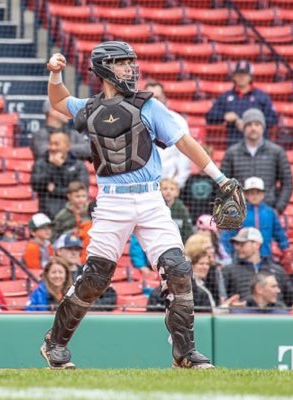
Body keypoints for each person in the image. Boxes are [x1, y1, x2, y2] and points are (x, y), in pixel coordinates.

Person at [40, 40, 237, 370]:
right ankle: (54, 343)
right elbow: (59, 100)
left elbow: (186, 142)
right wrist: (56, 74)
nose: (130, 69)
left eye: (131, 63)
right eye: (121, 63)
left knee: (178, 268)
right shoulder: (88, 107)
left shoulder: (149, 104)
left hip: (150, 198)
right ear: (103, 69)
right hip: (112, 201)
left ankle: (184, 352)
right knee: (96, 277)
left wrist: (221, 179)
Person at [221, 108, 293, 215]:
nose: (253, 128)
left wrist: (278, 209)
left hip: (268, 211)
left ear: (263, 127)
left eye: (257, 124)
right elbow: (224, 184)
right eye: (249, 124)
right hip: (239, 212)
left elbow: (287, 183)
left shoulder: (277, 152)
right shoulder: (232, 153)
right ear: (243, 128)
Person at [223, 228, 293, 313]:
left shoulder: (277, 270)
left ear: (256, 245)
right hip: (243, 317)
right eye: (236, 244)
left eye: (242, 244)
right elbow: (221, 300)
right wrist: (227, 305)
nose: (237, 247)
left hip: (276, 316)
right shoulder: (229, 270)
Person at [205, 60, 278, 145]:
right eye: (238, 74)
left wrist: (252, 123)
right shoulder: (226, 97)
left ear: (250, 77)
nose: (241, 77)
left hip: (259, 143)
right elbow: (210, 116)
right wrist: (224, 116)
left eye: (245, 74)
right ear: (234, 77)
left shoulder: (261, 96)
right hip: (234, 143)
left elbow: (273, 119)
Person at [220, 176, 290, 259]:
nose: (255, 196)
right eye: (251, 193)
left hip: (265, 256)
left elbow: (279, 234)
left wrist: (286, 250)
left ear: (263, 194)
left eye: (258, 193)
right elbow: (227, 236)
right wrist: (229, 254)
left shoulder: (270, 213)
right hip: (243, 257)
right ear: (245, 194)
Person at [31, 130, 89, 219]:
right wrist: (53, 167)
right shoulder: (40, 163)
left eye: (56, 144)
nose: (53, 148)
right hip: (47, 215)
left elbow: (80, 191)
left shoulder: (78, 165)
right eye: (50, 144)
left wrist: (54, 191)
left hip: (72, 215)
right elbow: (36, 186)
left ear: (67, 146)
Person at [144, 81, 191, 189]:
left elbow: (184, 152)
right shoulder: (136, 118)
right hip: (144, 184)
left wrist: (177, 182)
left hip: (170, 184)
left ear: (164, 98)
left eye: (157, 97)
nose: (153, 101)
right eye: (150, 97)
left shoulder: (177, 120)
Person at [54, 233, 117, 311]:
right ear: (59, 251)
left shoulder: (91, 272)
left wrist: (88, 309)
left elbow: (110, 297)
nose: (74, 252)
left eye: (77, 249)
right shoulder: (53, 274)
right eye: (69, 248)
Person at [181, 145, 217, 224]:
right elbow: (184, 199)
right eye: (199, 160)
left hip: (210, 219)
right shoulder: (190, 179)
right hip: (193, 219)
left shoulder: (215, 180)